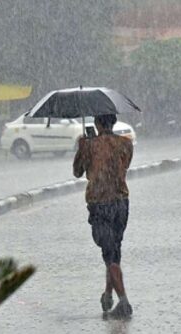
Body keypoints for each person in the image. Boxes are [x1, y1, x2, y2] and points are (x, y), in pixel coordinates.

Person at [73, 114, 134, 319]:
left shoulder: (89, 146)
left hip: (100, 204)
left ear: (98, 124)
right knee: (114, 252)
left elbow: (77, 172)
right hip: (121, 203)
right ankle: (108, 294)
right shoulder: (126, 144)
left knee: (109, 255)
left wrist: (83, 147)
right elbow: (124, 166)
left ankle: (124, 302)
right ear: (113, 123)